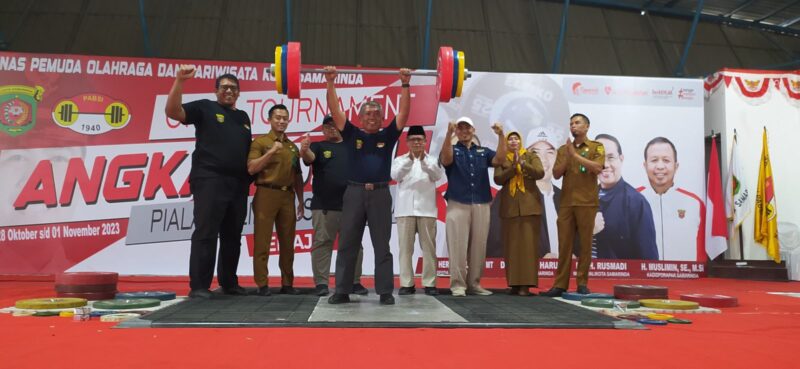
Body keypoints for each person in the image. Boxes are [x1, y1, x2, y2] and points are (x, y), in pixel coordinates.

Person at [325, 66, 411, 305]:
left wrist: (405, 84)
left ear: (381, 118)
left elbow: (403, 115)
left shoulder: (388, 135)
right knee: (347, 243)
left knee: (382, 244)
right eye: (368, 114)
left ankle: (385, 291)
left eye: (376, 114)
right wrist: (331, 82)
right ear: (360, 118)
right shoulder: (352, 134)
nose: (372, 117)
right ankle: (341, 290)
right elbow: (335, 110)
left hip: (381, 195)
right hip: (353, 193)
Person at [165, 67, 251, 299]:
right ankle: (200, 286)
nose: (229, 91)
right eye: (224, 87)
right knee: (206, 232)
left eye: (233, 88)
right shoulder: (205, 107)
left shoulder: (243, 118)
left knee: (233, 234)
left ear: (239, 93)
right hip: (210, 179)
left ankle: (229, 282)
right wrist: (179, 81)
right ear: (216, 91)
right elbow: (173, 111)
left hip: (238, 184)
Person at [299, 115, 368, 297]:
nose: (331, 129)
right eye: (327, 126)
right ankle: (321, 283)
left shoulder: (352, 146)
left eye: (334, 125)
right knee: (322, 243)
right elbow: (309, 158)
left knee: (355, 245)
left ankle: (354, 281)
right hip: (324, 206)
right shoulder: (319, 146)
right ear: (322, 129)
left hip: (351, 206)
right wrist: (304, 150)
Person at [440, 116, 506, 297]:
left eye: (467, 128)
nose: (464, 131)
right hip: (457, 203)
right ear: (456, 131)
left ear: (473, 130)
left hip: (481, 203)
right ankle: (458, 285)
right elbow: (445, 160)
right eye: (460, 128)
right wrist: (448, 134)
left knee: (479, 245)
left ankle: (475, 284)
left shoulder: (483, 151)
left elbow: (500, 160)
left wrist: (501, 136)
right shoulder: (452, 149)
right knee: (457, 245)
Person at [541, 113, 604, 297]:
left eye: (577, 123)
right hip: (567, 203)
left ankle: (582, 283)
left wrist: (575, 155)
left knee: (584, 245)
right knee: (564, 245)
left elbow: (597, 168)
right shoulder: (563, 150)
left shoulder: (596, 147)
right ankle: (560, 284)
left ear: (586, 127)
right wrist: (568, 156)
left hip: (587, 203)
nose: (573, 126)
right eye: (571, 124)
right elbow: (557, 174)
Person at [247, 104, 304, 296]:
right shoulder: (260, 142)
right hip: (266, 193)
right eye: (278, 117)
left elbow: (297, 176)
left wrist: (301, 201)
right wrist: (271, 152)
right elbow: (251, 168)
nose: (281, 121)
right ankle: (262, 284)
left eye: (285, 118)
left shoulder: (292, 147)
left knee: (288, 242)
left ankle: (287, 283)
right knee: (262, 241)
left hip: (288, 196)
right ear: (269, 120)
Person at [390, 125, 445, 296]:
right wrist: (411, 160)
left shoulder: (432, 160)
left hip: (427, 210)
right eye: (413, 140)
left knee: (429, 248)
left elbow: (437, 175)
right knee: (405, 249)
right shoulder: (400, 160)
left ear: (425, 141)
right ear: (407, 142)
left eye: (419, 140)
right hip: (404, 210)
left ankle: (430, 283)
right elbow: (396, 176)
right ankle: (407, 283)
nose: (416, 143)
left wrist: (422, 161)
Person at [638, 137, 705, 261]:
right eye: (654, 160)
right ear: (645, 165)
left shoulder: (694, 203)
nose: (660, 166)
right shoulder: (631, 199)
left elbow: (702, 251)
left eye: (666, 160)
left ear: (676, 166)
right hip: (642, 278)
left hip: (685, 277)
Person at [494, 131, 544, 296]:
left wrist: (522, 164)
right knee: (512, 247)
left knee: (528, 248)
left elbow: (539, 173)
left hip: (530, 207)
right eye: (510, 139)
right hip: (509, 208)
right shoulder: (501, 158)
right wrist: (513, 169)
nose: (513, 141)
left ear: (521, 141)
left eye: (516, 138)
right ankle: (514, 284)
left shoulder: (530, 156)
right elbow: (498, 179)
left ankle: (526, 285)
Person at [594, 134, 658, 260]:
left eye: (611, 157)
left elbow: (649, 260)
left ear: (621, 159)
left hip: (615, 279)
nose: (604, 164)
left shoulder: (636, 202)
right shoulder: (584, 199)